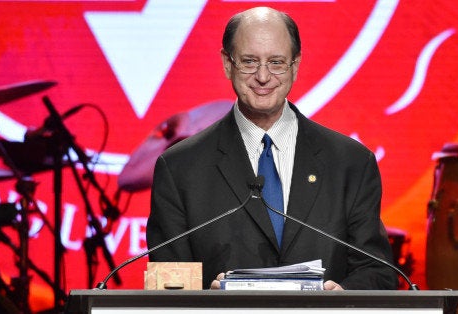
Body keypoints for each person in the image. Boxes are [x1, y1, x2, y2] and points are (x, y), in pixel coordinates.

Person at [146, 6, 399, 290]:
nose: (263, 77)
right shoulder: (179, 169)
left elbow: (378, 272)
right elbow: (166, 287)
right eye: (250, 62)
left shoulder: (351, 163)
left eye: (277, 62)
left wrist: (343, 298)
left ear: (296, 65)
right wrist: (206, 300)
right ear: (227, 64)